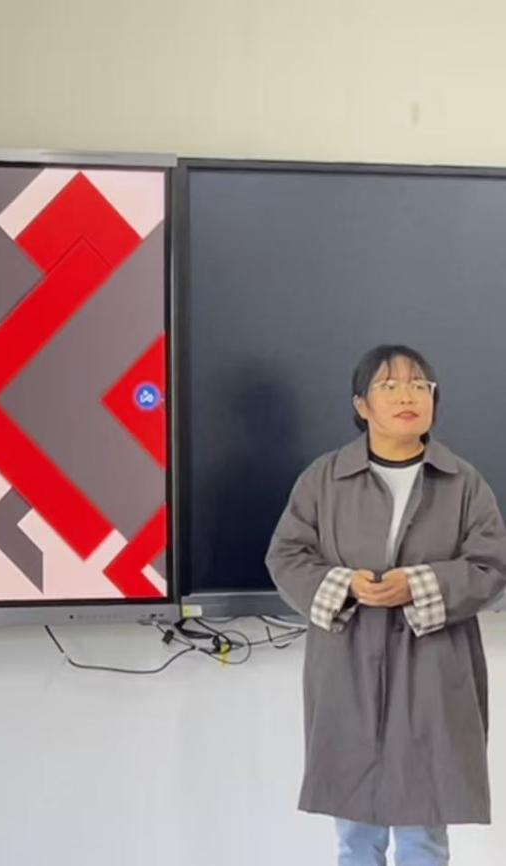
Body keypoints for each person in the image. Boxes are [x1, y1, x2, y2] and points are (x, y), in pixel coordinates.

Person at [266, 345, 506, 866]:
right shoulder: (324, 478)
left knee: (425, 831)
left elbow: (492, 566)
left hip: (435, 668)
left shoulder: (463, 482)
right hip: (347, 664)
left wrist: (418, 585)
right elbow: (286, 555)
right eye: (390, 386)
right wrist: (346, 585)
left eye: (420, 386)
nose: (407, 396)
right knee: (356, 833)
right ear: (361, 404)